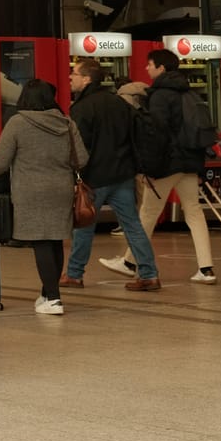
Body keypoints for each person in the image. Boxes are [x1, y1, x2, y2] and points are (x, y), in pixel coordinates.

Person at [101, 49, 218, 285]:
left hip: (168, 163)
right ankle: (206, 269)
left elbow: (156, 134)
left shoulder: (160, 96)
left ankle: (130, 262)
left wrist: (147, 167)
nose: (146, 68)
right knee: (194, 212)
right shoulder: (190, 92)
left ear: (161, 68)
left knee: (147, 212)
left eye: (150, 64)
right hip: (190, 162)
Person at [0, 80, 86, 316]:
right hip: (60, 189)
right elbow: (82, 157)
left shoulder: (18, 122)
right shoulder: (67, 123)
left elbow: (1, 160)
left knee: (41, 242)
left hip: (30, 191)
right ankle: (47, 294)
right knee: (55, 241)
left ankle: (54, 299)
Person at [64, 57, 159, 292]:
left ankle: (74, 274)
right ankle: (149, 274)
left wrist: (75, 173)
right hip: (122, 175)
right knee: (132, 225)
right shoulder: (119, 103)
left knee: (84, 224)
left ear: (86, 79)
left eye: (74, 74)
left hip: (95, 176)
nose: (70, 78)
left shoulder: (82, 108)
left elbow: (78, 146)